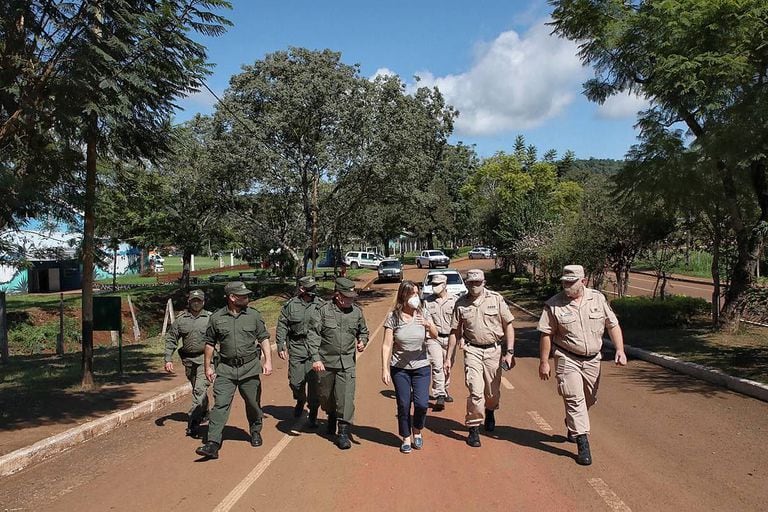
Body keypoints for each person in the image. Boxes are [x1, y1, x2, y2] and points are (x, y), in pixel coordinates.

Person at [537, 264, 627, 466]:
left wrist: (620, 350)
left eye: (571, 283)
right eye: (564, 282)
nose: (566, 286)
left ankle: (572, 423)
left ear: (583, 282)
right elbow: (546, 334)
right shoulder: (554, 305)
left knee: (589, 399)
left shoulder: (597, 298)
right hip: (567, 357)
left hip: (593, 359)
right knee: (574, 399)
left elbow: (612, 324)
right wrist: (544, 362)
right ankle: (583, 442)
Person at [195, 281, 273, 460]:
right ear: (232, 297)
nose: (247, 298)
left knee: (253, 403)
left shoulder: (254, 316)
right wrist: (208, 367)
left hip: (249, 368)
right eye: (243, 295)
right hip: (225, 369)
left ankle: (255, 430)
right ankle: (213, 443)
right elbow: (209, 344)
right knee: (220, 404)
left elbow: (263, 338)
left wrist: (268, 361)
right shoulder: (216, 318)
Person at [445, 269, 515, 448]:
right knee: (476, 392)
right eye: (471, 283)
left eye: (478, 283)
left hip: (494, 351)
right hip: (472, 350)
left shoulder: (496, 299)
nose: (474, 286)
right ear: (467, 284)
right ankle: (474, 428)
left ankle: (490, 411)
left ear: (484, 283)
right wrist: (448, 357)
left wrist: (510, 352)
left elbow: (508, 325)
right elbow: (455, 332)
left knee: (491, 394)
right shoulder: (460, 304)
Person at [307, 277, 369, 450]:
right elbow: (313, 334)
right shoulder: (323, 311)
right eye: (347, 296)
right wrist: (316, 358)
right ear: (337, 295)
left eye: (352, 296)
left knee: (346, 398)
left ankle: (342, 433)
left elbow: (363, 331)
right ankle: (331, 414)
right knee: (326, 397)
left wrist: (362, 340)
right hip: (326, 363)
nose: (351, 299)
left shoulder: (356, 312)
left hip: (347, 363)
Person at [381, 281, 439, 453]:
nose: (415, 297)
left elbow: (435, 335)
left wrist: (428, 325)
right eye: (412, 293)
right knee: (404, 404)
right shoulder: (393, 317)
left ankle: (417, 430)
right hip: (400, 368)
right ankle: (406, 437)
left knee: (421, 404)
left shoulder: (424, 313)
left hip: (421, 367)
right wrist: (384, 368)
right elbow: (386, 345)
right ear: (403, 296)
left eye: (417, 293)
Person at [276, 276, 325, 427]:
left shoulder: (321, 305)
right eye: (310, 289)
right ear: (302, 289)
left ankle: (313, 413)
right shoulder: (291, 305)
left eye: (314, 288)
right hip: (297, 347)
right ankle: (300, 399)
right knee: (295, 382)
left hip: (315, 348)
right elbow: (282, 324)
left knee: (315, 384)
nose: (313, 291)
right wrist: (280, 344)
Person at [164, 289, 213, 438]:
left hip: (205, 360)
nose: (196, 303)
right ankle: (204, 411)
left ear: (203, 302)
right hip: (188, 361)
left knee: (199, 389)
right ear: (189, 302)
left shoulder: (211, 318)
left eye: (199, 301)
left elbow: (222, 337)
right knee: (197, 389)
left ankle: (193, 423)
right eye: (193, 301)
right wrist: (168, 358)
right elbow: (172, 338)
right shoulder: (181, 320)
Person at [423, 273, 458, 411]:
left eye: (437, 285)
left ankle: (445, 389)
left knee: (447, 365)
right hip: (434, 338)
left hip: (451, 338)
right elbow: (426, 321)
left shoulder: (454, 301)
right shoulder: (428, 302)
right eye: (433, 284)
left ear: (444, 285)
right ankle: (439, 395)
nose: (434, 287)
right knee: (437, 365)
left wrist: (461, 338)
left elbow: (458, 323)